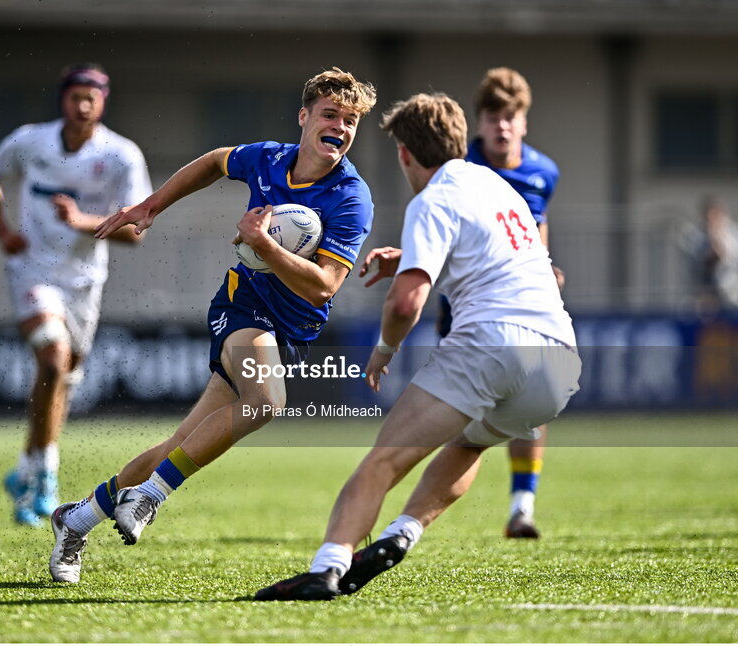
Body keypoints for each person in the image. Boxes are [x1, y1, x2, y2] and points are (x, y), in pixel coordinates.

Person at [46, 67, 377, 583]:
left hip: (292, 331)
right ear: (305, 117)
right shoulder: (269, 158)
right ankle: (152, 497)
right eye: (330, 114)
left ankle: (76, 519)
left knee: (174, 446)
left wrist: (265, 244)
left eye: (351, 120)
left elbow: (325, 286)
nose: (339, 126)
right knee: (268, 400)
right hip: (242, 305)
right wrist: (152, 204)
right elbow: (215, 162)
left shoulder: (351, 197)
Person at [254, 92, 580, 601]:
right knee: (469, 442)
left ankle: (327, 567)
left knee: (383, 462)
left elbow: (407, 304)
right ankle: (401, 533)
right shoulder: (494, 183)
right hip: (558, 363)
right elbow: (500, 251)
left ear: (405, 154)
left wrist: (383, 350)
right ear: (458, 140)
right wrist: (410, 256)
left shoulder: (431, 199)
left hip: (491, 343)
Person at [0, 64, 152, 527]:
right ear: (62, 99)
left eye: (92, 98)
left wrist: (82, 220)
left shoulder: (121, 155)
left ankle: (26, 466)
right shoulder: (29, 141)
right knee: (52, 357)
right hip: (31, 271)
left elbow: (136, 230)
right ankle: (47, 476)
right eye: (75, 96)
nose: (82, 105)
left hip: (84, 281)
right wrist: (2, 230)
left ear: (103, 102)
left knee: (61, 376)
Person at [436, 67, 561, 539]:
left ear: (524, 122)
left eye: (511, 116)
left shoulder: (543, 172)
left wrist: (545, 266)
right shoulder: (459, 170)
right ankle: (429, 509)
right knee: (461, 418)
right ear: (479, 123)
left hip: (527, 312)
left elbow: (538, 227)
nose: (502, 126)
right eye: (493, 116)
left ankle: (521, 509)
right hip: (467, 313)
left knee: (532, 405)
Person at [680, 195, 738, 313]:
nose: (713, 220)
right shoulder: (694, 235)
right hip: (701, 292)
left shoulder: (734, 233)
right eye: (710, 217)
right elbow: (695, 263)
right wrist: (710, 243)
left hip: (731, 291)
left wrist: (718, 240)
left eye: (717, 216)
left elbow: (735, 260)